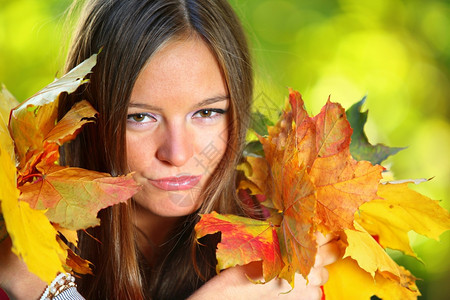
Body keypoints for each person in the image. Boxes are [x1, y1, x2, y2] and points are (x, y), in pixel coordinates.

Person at [0, 0, 339, 299]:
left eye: (207, 113)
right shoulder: (22, 234)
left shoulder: (286, 243)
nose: (177, 154)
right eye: (140, 117)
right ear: (87, 115)